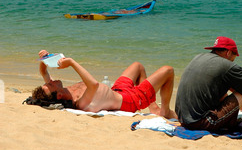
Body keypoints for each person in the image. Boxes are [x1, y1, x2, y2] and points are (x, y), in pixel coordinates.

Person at [32, 50, 177, 119]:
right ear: (58, 95)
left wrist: (44, 59)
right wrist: (71, 63)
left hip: (118, 90)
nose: (51, 81)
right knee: (168, 71)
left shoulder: (61, 91)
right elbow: (93, 85)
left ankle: (152, 107)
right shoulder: (80, 102)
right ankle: (164, 111)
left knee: (138, 66)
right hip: (129, 100)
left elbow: (44, 73)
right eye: (50, 85)